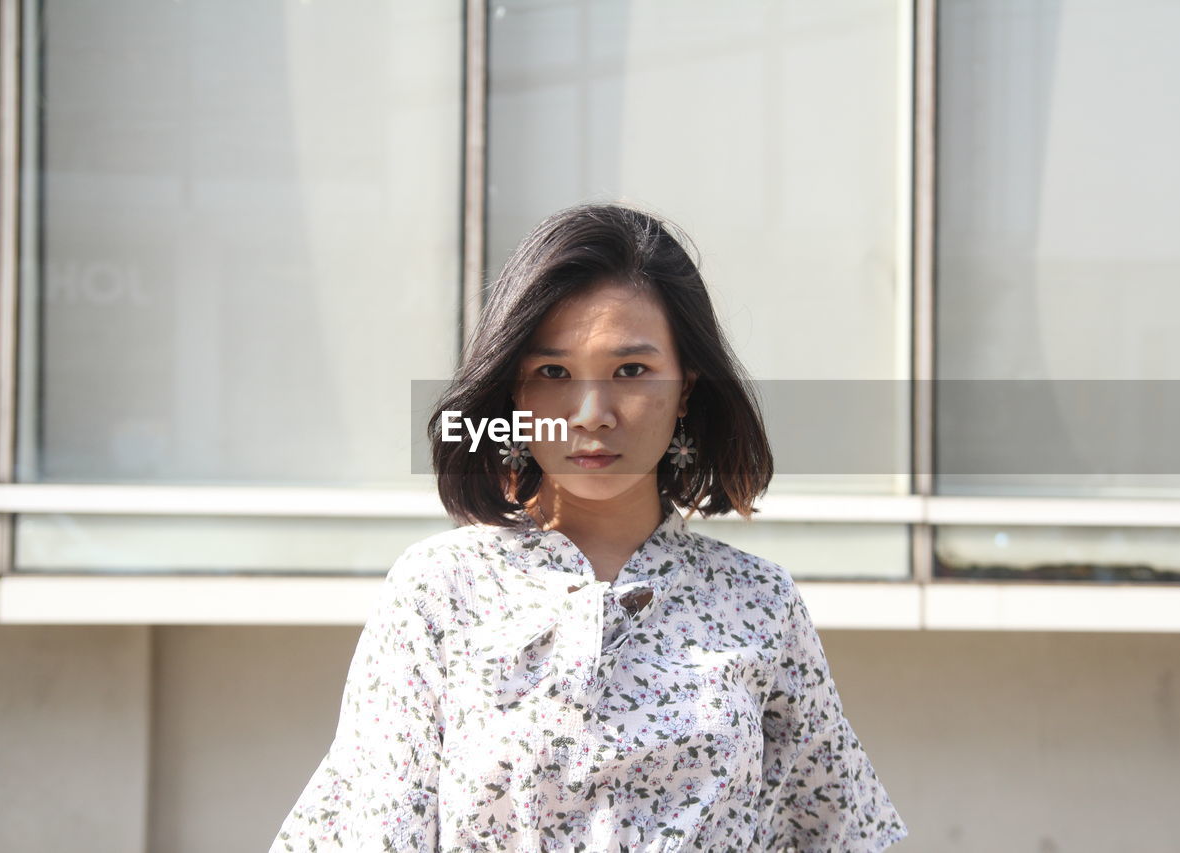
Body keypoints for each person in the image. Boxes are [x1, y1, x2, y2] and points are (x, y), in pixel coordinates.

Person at [270, 203, 909, 851]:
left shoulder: (758, 602)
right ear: (515, 392)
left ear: (686, 385)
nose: (591, 413)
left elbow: (841, 833)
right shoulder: (439, 590)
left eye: (631, 370)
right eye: (553, 373)